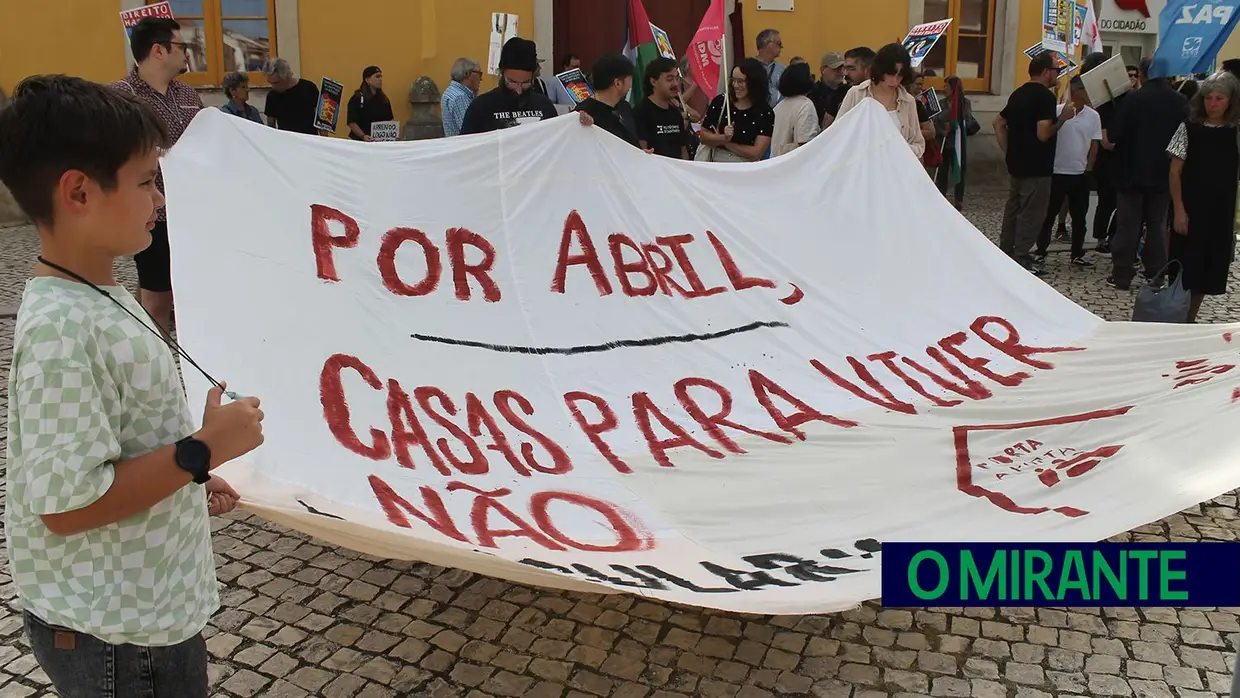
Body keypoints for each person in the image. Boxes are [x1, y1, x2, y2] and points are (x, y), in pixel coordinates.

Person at [0, 74, 265, 698]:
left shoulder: (101, 290)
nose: (161, 200)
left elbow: (120, 443)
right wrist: (200, 449)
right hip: (116, 636)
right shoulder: (60, 330)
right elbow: (69, 507)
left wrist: (189, 472)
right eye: (148, 182)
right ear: (79, 192)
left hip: (143, 610)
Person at [109, 17, 203, 335]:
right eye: (182, 46)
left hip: (192, 212)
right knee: (157, 296)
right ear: (158, 51)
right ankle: (154, 360)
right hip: (152, 213)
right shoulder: (120, 97)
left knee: (188, 292)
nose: (187, 53)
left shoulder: (189, 96)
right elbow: (110, 154)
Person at [1106, 57, 1189, 290]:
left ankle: (1122, 275)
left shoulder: (1133, 100)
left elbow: (1114, 135)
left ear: (1143, 73)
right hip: (1164, 174)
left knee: (1128, 226)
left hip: (1130, 173)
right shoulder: (1180, 101)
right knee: (1157, 226)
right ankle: (1156, 275)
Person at [994, 52, 1075, 275]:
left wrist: (1009, 151)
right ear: (1046, 72)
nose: (1058, 75)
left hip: (1017, 165)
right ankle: (1021, 259)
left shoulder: (1018, 94)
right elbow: (1043, 133)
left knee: (1013, 209)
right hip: (1037, 167)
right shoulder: (1044, 97)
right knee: (1032, 213)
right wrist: (1063, 119)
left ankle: (1006, 252)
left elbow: (998, 123)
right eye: (1056, 71)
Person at [1167, 72, 1240, 322]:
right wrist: (1178, 209)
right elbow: (1175, 172)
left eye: (1219, 98)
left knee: (1206, 272)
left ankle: (1189, 319)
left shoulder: (1236, 132)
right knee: (1183, 269)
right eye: (1209, 98)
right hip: (1189, 210)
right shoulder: (1188, 128)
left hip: (1219, 213)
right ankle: (1176, 318)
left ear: (1230, 101)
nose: (1213, 103)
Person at [1034, 77, 1100, 268]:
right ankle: (1040, 250)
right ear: (1078, 91)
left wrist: (1089, 169)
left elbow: (1094, 144)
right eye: (1087, 90)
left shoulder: (1093, 116)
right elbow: (1048, 134)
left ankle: (1077, 253)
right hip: (1057, 171)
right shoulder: (1057, 111)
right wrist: (1063, 118)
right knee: (1049, 214)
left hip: (1080, 173)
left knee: (1080, 217)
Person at [837, 43, 926, 158]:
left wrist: (901, 149)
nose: (894, 81)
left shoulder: (908, 101)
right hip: (861, 170)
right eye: (890, 74)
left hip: (895, 171)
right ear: (880, 70)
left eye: (900, 75)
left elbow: (918, 144)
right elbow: (838, 134)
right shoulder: (856, 94)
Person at [461, 37, 560, 134]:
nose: (519, 90)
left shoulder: (544, 106)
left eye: (526, 83)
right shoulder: (481, 107)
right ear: (501, 74)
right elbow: (466, 146)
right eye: (512, 82)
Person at [698, 57, 775, 162]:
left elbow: (756, 153)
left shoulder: (765, 112)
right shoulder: (721, 102)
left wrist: (726, 143)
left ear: (754, 83)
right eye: (733, 80)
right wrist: (723, 138)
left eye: (740, 81)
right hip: (717, 166)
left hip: (745, 171)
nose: (735, 85)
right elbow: (703, 135)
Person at [932, 76, 979, 210]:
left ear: (954, 88)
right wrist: (942, 131)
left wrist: (956, 124)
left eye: (946, 86)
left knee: (959, 170)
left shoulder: (964, 103)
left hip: (957, 143)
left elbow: (969, 120)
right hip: (943, 142)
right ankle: (941, 197)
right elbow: (935, 122)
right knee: (942, 172)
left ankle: (958, 199)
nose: (944, 88)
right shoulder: (940, 103)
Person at [575, 54, 640, 147]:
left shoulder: (625, 107)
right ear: (618, 83)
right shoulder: (584, 114)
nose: (630, 85)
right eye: (630, 79)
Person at [635, 57, 689, 159]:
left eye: (676, 78)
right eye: (669, 79)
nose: (676, 84)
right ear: (653, 82)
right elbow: (640, 151)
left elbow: (683, 150)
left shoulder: (676, 114)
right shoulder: (641, 112)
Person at [262, 58, 322, 135]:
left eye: (276, 83)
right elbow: (271, 126)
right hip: (286, 141)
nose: (273, 86)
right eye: (271, 83)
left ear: (286, 77)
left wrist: (325, 141)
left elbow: (321, 119)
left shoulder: (308, 88)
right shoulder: (272, 96)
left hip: (309, 139)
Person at [771, 62, 820, 156]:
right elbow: (805, 142)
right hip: (796, 164)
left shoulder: (779, 106)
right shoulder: (806, 105)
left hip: (776, 161)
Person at [345, 66, 394, 142]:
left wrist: (392, 134)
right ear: (367, 79)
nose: (380, 79)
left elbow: (390, 120)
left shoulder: (384, 99)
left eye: (381, 76)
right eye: (377, 76)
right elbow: (352, 122)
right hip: (360, 142)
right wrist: (363, 136)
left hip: (380, 142)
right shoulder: (357, 98)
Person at [442, 57, 483, 137]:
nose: (481, 79)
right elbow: (469, 130)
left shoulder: (450, 91)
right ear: (468, 74)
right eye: (479, 74)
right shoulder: (460, 97)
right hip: (462, 145)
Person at [809, 51, 848, 128]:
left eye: (842, 68)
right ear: (823, 70)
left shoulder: (847, 91)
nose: (840, 72)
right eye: (836, 68)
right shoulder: (813, 93)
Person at [755, 29, 786, 106]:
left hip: (778, 113)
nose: (782, 47)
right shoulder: (749, 67)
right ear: (768, 44)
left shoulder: (783, 69)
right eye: (779, 43)